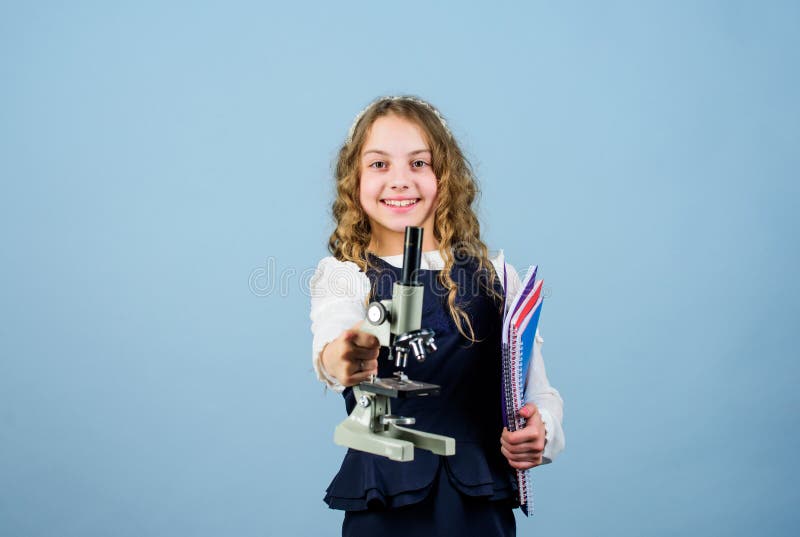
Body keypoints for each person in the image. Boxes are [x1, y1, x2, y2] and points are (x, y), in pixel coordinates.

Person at [309, 96, 565, 536]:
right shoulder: (343, 277)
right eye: (379, 165)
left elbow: (537, 392)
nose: (400, 181)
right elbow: (332, 346)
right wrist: (347, 354)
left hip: (479, 504)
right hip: (385, 500)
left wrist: (542, 432)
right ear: (353, 180)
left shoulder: (498, 278)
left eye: (419, 163)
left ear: (444, 177)